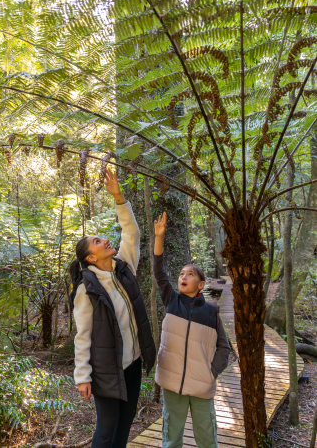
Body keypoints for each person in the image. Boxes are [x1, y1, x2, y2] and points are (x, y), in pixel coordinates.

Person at [69, 167, 156, 448]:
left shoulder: (123, 268)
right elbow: (83, 335)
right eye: (97, 241)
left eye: (102, 238)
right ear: (91, 258)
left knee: (126, 422)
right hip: (106, 367)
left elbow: (132, 234)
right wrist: (82, 376)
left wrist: (119, 198)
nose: (105, 240)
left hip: (132, 361)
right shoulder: (87, 289)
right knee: (106, 428)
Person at [153, 212, 230, 448]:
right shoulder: (171, 300)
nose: (183, 276)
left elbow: (224, 347)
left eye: (190, 274)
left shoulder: (211, 312)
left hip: (201, 384)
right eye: (181, 274)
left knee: (206, 437)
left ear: (201, 284)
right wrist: (159, 237)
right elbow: (159, 273)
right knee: (171, 438)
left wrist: (211, 373)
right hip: (172, 382)